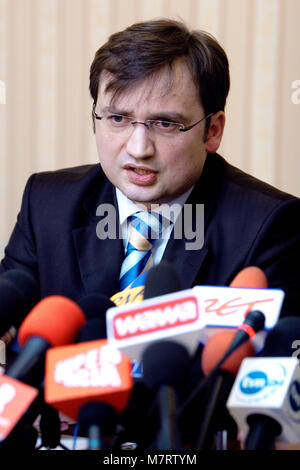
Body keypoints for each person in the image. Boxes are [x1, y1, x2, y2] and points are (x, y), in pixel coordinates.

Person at [0, 18, 299, 318]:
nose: (139, 149)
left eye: (165, 123)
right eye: (118, 118)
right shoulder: (46, 206)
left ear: (213, 130)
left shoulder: (269, 228)